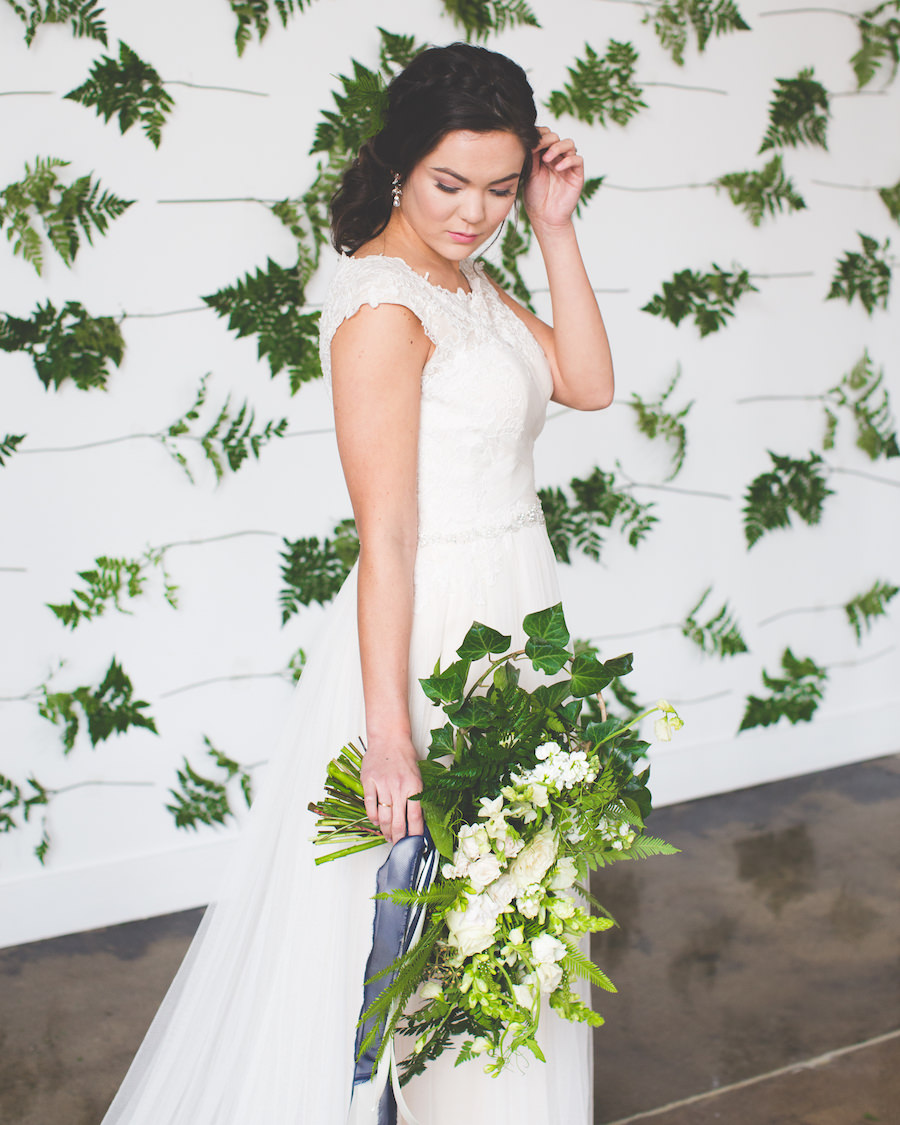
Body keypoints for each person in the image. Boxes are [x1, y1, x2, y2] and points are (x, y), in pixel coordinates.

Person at [100, 42, 613, 1125]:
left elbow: (587, 383)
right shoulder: (384, 306)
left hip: (520, 613)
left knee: (511, 903)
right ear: (397, 165)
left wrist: (557, 229)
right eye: (450, 184)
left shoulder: (464, 274)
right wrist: (391, 737)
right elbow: (386, 536)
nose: (478, 211)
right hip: (430, 629)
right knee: (417, 921)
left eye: (503, 188)